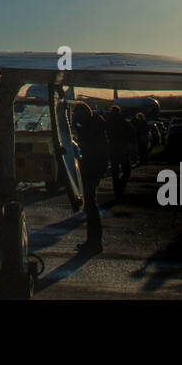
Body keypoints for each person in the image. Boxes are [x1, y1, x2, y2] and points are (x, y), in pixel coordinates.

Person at [71, 103, 109, 254]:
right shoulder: (95, 124)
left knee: (91, 206)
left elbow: (86, 142)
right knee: (90, 206)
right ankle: (93, 241)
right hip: (95, 168)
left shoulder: (91, 128)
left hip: (92, 169)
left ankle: (94, 242)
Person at [106, 105, 135, 201]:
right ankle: (120, 186)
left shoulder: (108, 122)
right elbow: (131, 131)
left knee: (115, 171)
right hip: (122, 148)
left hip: (113, 148)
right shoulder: (123, 121)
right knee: (126, 170)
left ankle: (117, 190)